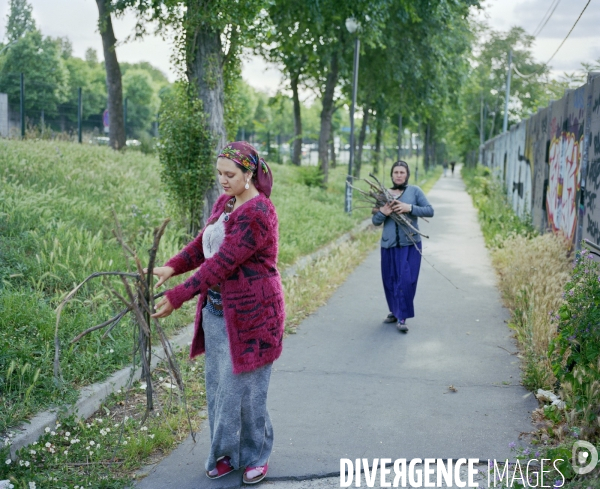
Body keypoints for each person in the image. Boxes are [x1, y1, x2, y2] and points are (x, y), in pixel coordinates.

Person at [150, 141, 285, 484]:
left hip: (253, 317)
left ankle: (256, 455)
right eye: (219, 173)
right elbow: (203, 244)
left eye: (230, 174)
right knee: (220, 390)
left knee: (249, 393)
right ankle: (226, 454)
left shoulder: (259, 213)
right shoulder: (226, 203)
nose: (223, 180)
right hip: (216, 312)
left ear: (249, 173)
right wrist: (171, 267)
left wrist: (177, 295)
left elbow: (222, 264)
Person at [372, 161, 434, 333]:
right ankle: (394, 311)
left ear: (406, 175)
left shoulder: (414, 191)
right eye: (396, 172)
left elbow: (430, 210)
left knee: (407, 280)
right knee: (390, 279)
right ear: (392, 175)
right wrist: (383, 213)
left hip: (410, 244)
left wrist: (409, 208)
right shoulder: (383, 194)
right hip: (389, 245)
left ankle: (402, 317)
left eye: (402, 172)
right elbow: (375, 221)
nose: (399, 175)